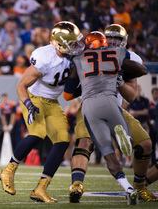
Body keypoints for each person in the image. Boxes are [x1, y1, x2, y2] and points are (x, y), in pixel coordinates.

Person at [65, 24, 157, 203]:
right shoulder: (122, 56)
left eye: (118, 39)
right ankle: (77, 184)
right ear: (104, 39)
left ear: (124, 41)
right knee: (84, 142)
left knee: (145, 144)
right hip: (101, 103)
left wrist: (118, 78)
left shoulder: (121, 56)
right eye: (111, 38)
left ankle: (139, 186)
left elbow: (130, 96)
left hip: (109, 104)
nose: (114, 42)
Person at [0, 21, 85, 203]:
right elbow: (21, 85)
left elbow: (69, 91)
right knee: (38, 134)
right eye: (72, 43)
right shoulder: (45, 57)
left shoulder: (73, 59)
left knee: (62, 140)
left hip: (52, 102)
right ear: (60, 43)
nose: (77, 46)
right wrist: (29, 104)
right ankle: (8, 170)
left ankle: (40, 188)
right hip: (34, 98)